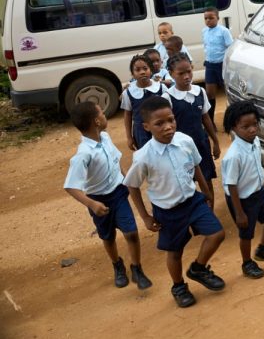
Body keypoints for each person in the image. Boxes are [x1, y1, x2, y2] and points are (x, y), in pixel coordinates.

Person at [124, 96, 225, 308]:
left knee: (217, 234)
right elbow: (132, 185)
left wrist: (206, 193)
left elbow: (196, 167)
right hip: (167, 210)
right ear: (146, 127)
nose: (168, 127)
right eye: (159, 123)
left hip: (193, 200)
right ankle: (178, 286)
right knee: (175, 251)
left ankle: (198, 268)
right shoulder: (144, 157)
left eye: (171, 120)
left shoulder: (185, 141)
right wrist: (145, 216)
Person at [64, 101, 152, 290]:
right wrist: (92, 204)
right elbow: (71, 187)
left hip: (119, 193)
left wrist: (126, 180)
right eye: (102, 113)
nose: (105, 116)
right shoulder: (83, 154)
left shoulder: (105, 137)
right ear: (96, 121)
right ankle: (117, 266)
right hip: (99, 200)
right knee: (108, 236)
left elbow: (115, 161)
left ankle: (137, 268)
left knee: (131, 232)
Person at [222, 101, 264, 279]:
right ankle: (247, 262)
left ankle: (263, 248)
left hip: (259, 192)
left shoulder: (255, 141)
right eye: (245, 127)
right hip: (242, 199)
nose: (252, 129)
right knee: (246, 234)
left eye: (254, 124)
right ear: (234, 127)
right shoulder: (234, 155)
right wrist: (239, 212)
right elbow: (231, 185)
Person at [163, 52, 220, 197]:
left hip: (201, 144)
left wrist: (216, 141)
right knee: (185, 183)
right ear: (171, 74)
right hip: (180, 149)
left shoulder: (200, 92)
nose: (186, 76)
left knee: (207, 180)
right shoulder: (168, 97)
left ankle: (209, 213)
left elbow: (205, 118)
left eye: (189, 71)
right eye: (180, 73)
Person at [121, 54, 167, 151]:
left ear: (150, 70)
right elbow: (128, 115)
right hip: (141, 133)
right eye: (137, 70)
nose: (142, 72)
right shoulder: (128, 92)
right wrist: (129, 137)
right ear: (132, 74)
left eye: (145, 68)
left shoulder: (161, 88)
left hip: (161, 129)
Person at [202, 8, 234, 125]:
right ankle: (211, 122)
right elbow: (206, 47)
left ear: (218, 18)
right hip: (210, 65)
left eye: (211, 18)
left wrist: (227, 64)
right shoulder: (204, 31)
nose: (208, 20)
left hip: (222, 65)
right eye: (206, 18)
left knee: (228, 93)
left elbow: (230, 47)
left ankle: (230, 121)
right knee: (209, 94)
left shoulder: (223, 31)